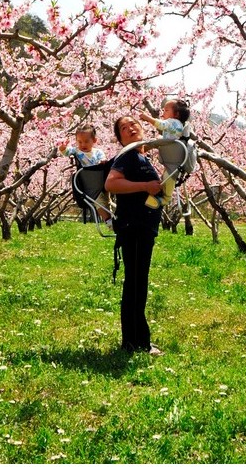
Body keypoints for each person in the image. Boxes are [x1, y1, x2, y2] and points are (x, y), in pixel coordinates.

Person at [105, 116, 164, 355]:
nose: (130, 128)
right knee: (136, 283)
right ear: (119, 138)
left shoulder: (141, 156)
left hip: (141, 226)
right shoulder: (127, 156)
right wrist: (145, 187)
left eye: (133, 124)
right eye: (123, 128)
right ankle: (136, 342)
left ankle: (135, 340)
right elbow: (111, 184)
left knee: (137, 282)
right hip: (134, 226)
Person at [139, 98, 192, 209]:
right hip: (171, 158)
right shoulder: (175, 124)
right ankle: (161, 195)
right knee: (165, 178)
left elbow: (162, 125)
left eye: (166, 110)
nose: (163, 113)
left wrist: (148, 118)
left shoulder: (174, 123)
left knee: (168, 178)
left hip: (174, 161)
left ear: (176, 114)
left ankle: (165, 199)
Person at [58, 124, 112, 224]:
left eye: (87, 141)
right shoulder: (77, 151)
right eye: (80, 142)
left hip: (101, 180)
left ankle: (113, 217)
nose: (83, 144)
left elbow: (103, 159)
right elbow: (66, 152)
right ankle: (108, 221)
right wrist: (62, 147)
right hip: (89, 184)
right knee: (98, 201)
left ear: (94, 141)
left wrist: (102, 161)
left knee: (107, 201)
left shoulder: (98, 152)